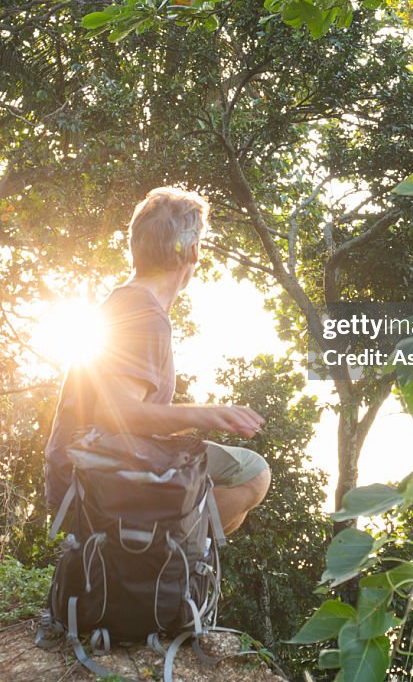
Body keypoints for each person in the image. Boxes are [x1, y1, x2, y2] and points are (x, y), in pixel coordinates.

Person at [44, 187, 271, 534]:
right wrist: (205, 414)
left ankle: (161, 567)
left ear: (136, 247)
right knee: (252, 472)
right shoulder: (142, 311)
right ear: (193, 251)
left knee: (232, 476)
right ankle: (161, 558)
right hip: (92, 476)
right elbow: (118, 413)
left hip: (88, 468)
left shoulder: (126, 302)